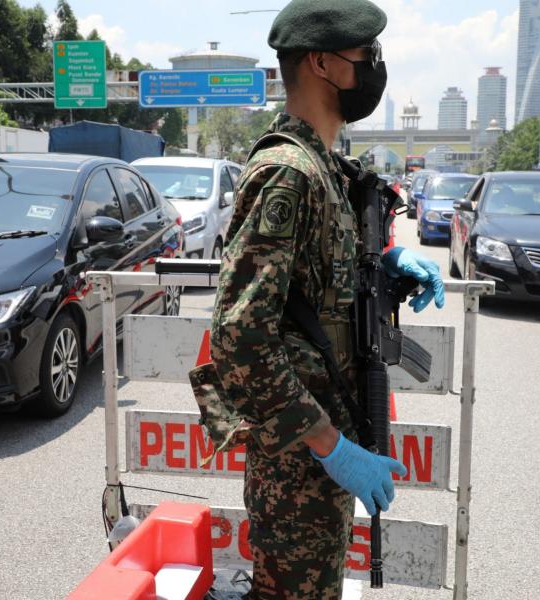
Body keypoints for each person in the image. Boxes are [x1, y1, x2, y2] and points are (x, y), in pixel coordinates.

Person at [207, 1, 446, 596]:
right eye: (365, 57)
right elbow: (241, 337)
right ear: (321, 62)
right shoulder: (289, 173)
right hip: (300, 459)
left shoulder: (326, 169)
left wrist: (385, 269)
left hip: (320, 444)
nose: (374, 68)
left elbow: (315, 291)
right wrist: (330, 445)